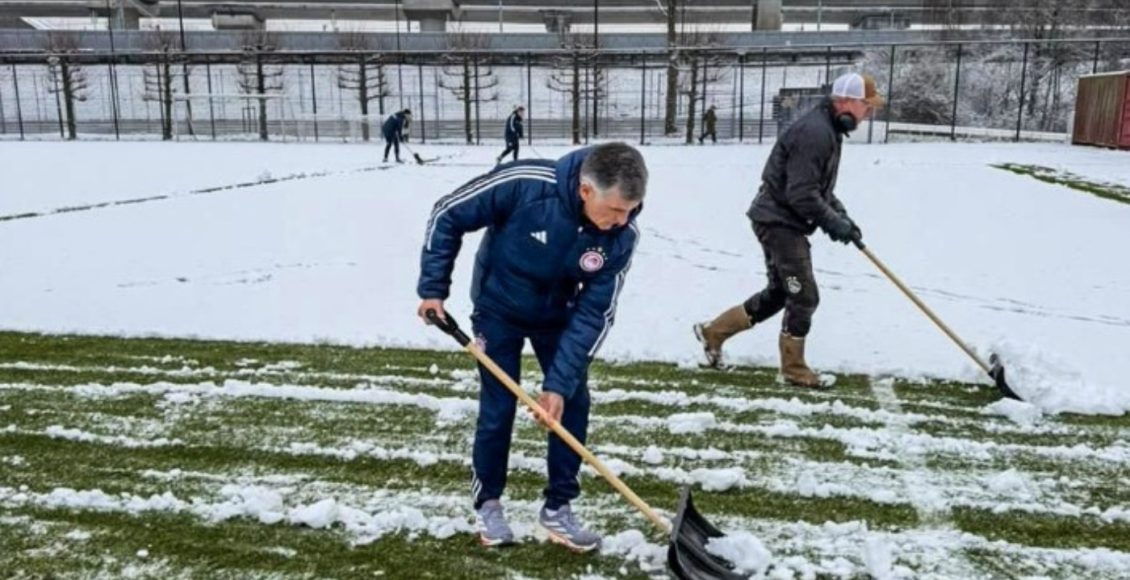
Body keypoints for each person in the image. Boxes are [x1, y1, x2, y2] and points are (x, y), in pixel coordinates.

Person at [416, 143, 647, 552]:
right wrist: (433, 289)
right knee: (499, 405)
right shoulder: (525, 184)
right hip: (496, 309)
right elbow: (447, 214)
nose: (621, 221)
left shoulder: (620, 237)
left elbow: (595, 314)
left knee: (571, 402)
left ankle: (558, 508)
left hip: (558, 315)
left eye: (631, 210)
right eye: (614, 210)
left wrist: (557, 385)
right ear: (585, 190)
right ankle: (488, 503)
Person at [693, 73, 882, 387]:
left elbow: (818, 189)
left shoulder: (829, 129)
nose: (870, 112)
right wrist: (833, 223)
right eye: (867, 105)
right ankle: (793, 368)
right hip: (779, 221)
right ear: (846, 102)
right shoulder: (816, 133)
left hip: (782, 218)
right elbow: (801, 194)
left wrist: (843, 218)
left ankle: (714, 331)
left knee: (781, 292)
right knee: (804, 296)